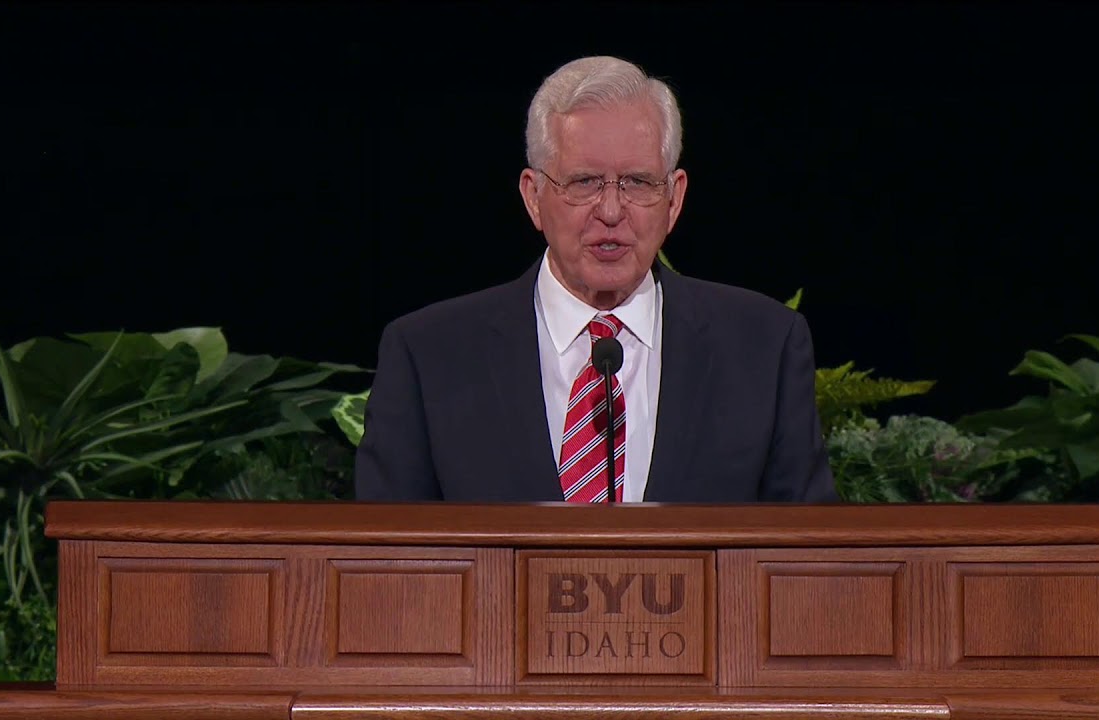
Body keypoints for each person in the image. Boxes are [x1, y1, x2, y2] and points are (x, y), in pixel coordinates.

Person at [355, 55, 835, 503]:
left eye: (638, 182)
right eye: (583, 182)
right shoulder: (429, 356)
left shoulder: (764, 348)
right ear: (533, 197)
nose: (610, 211)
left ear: (674, 199)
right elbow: (388, 557)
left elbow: (803, 554)